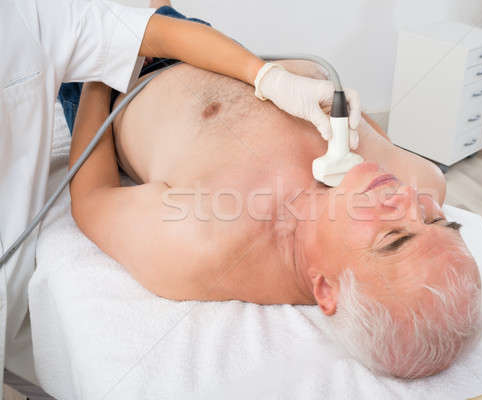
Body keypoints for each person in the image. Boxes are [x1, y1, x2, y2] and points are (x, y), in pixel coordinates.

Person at [66, 4, 482, 379]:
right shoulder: (423, 181)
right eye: (438, 220)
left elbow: (92, 200)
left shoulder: (208, 242)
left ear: (326, 290)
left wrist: (103, 64)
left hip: (125, 73)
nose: (407, 200)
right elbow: (375, 133)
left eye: (394, 237)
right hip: (213, 44)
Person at [0, 0, 360, 391]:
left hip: (170, 62)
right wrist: (103, 70)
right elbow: (93, 200)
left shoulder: (29, 15)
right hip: (148, 76)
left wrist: (273, 79)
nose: (406, 206)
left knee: (159, 24)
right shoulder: (207, 239)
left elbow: (161, 34)